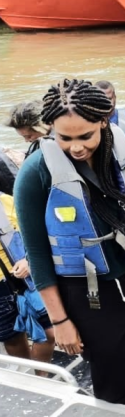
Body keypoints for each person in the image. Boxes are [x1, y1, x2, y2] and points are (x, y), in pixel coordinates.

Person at [13, 78, 125, 412]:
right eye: (65, 138)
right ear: (50, 128)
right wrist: (60, 321)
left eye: (86, 136)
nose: (76, 147)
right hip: (89, 297)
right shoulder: (36, 173)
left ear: (103, 121)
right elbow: (37, 254)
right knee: (115, 388)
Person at [0, 155, 55, 375]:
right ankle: (33, 379)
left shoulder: (8, 201)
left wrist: (29, 261)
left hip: (25, 277)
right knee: (13, 338)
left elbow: (40, 234)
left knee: (50, 333)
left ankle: (41, 377)